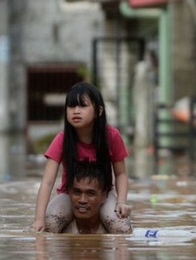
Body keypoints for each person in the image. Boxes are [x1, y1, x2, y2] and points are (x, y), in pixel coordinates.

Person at [31, 81, 132, 234]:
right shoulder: (62, 139)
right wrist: (38, 219)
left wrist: (121, 201)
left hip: (102, 195)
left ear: (98, 111)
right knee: (49, 225)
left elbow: (121, 173)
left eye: (83, 106)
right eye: (71, 106)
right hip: (69, 195)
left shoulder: (111, 136)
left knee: (122, 229)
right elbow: (47, 182)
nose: (76, 111)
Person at [61, 161, 112, 234]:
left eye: (90, 194)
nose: (82, 200)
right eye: (77, 192)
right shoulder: (58, 229)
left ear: (104, 196)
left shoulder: (114, 231)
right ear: (69, 192)